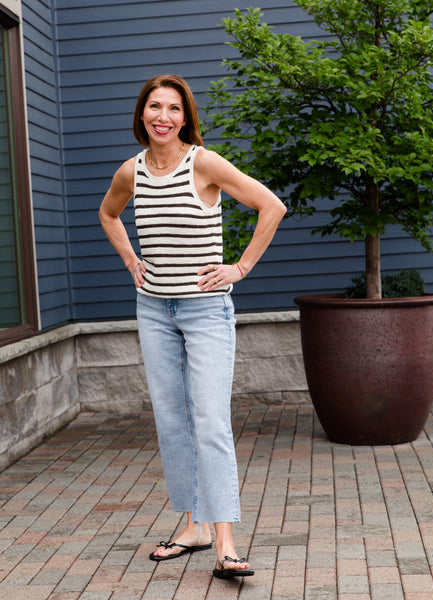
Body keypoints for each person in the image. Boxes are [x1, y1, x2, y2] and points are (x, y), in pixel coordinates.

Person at [99, 74, 286, 579]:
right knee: (172, 422)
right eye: (154, 107)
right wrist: (130, 260)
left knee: (209, 422)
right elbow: (109, 214)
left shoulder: (201, 162)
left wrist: (239, 269)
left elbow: (272, 206)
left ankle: (225, 541)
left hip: (206, 312)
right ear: (142, 114)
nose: (163, 117)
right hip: (154, 311)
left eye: (173, 109)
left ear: (186, 117)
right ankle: (193, 527)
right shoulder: (131, 172)